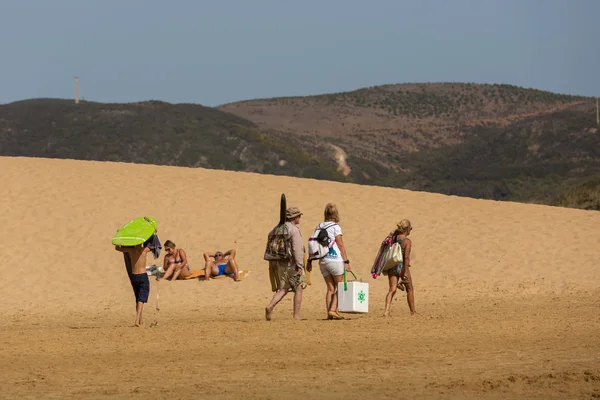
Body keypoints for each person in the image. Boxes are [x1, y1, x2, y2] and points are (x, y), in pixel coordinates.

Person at [307, 203, 351, 320]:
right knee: (340, 287)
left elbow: (314, 244)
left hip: (323, 261)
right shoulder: (336, 227)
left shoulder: (319, 226)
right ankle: (333, 310)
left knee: (330, 289)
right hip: (335, 259)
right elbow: (340, 244)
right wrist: (346, 261)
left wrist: (309, 261)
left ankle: (329, 314)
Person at [265, 206, 306, 321]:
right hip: (291, 263)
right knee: (299, 287)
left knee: (283, 288)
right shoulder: (294, 230)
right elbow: (297, 249)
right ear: (295, 217)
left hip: (279, 262)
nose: (300, 218)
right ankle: (296, 315)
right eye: (299, 216)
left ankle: (270, 306)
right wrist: (299, 265)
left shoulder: (277, 228)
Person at [383, 219, 416, 316]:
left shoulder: (393, 238)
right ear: (406, 229)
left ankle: (387, 311)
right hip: (402, 267)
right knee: (409, 289)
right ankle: (413, 311)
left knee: (392, 289)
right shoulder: (407, 242)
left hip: (392, 266)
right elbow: (406, 257)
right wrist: (405, 271)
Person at [115, 243, 152, 327]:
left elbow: (117, 248)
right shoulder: (144, 250)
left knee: (138, 298)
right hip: (142, 276)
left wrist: (120, 238)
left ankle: (140, 321)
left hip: (134, 276)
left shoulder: (130, 250)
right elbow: (155, 246)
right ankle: (137, 319)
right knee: (142, 298)